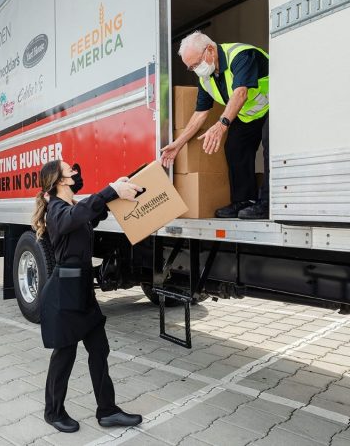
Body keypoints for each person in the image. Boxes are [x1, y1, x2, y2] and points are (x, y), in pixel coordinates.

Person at [31, 160, 143, 433]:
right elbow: (78, 215)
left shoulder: (72, 208)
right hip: (63, 294)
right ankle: (53, 412)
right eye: (70, 170)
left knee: (99, 350)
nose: (75, 173)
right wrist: (109, 190)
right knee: (64, 355)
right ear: (60, 180)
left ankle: (107, 411)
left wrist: (117, 190)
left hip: (82, 291)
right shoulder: (56, 211)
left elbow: (91, 213)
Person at [161, 30, 269, 219]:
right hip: (249, 114)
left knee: (271, 146)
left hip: (274, 106)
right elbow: (200, 113)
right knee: (235, 146)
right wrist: (178, 144)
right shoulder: (206, 77)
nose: (195, 69)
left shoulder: (240, 55)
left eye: (196, 64)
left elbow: (241, 93)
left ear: (210, 50)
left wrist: (222, 124)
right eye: (190, 67)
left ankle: (268, 203)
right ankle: (244, 201)